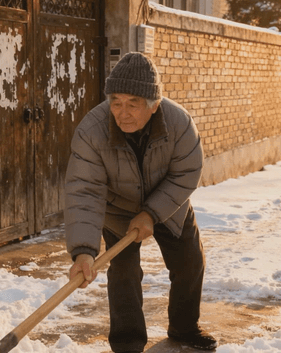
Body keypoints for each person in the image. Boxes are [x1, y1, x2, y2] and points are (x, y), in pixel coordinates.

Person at [64, 52, 217, 352]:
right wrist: (83, 251)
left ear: (154, 104)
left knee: (190, 260)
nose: (123, 113)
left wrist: (152, 213)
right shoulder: (91, 132)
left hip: (168, 202)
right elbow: (84, 190)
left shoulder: (179, 124)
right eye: (116, 102)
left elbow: (187, 173)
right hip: (118, 207)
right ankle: (127, 343)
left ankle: (184, 328)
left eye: (133, 103)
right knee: (123, 272)